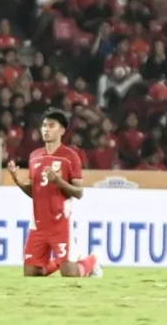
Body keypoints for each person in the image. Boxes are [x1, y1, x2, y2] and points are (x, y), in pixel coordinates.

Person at [7, 110, 102, 278]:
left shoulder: (71, 157)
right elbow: (35, 192)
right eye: (44, 125)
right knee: (31, 274)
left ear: (62, 130)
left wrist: (59, 182)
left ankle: (92, 260)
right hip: (38, 224)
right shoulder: (34, 156)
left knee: (70, 274)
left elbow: (79, 192)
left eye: (51, 126)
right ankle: (59, 261)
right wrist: (17, 180)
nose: (46, 129)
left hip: (60, 224)